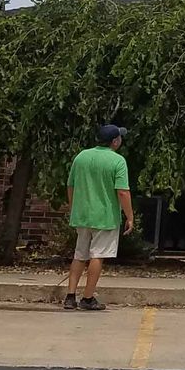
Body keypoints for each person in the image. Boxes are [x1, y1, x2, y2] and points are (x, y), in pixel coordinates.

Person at [64, 124, 134, 311]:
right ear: (114, 141)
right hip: (105, 216)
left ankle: (70, 296)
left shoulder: (81, 157)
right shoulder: (117, 161)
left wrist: (73, 207)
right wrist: (130, 217)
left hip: (82, 215)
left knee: (80, 255)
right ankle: (87, 298)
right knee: (98, 255)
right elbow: (122, 192)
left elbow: (70, 185)